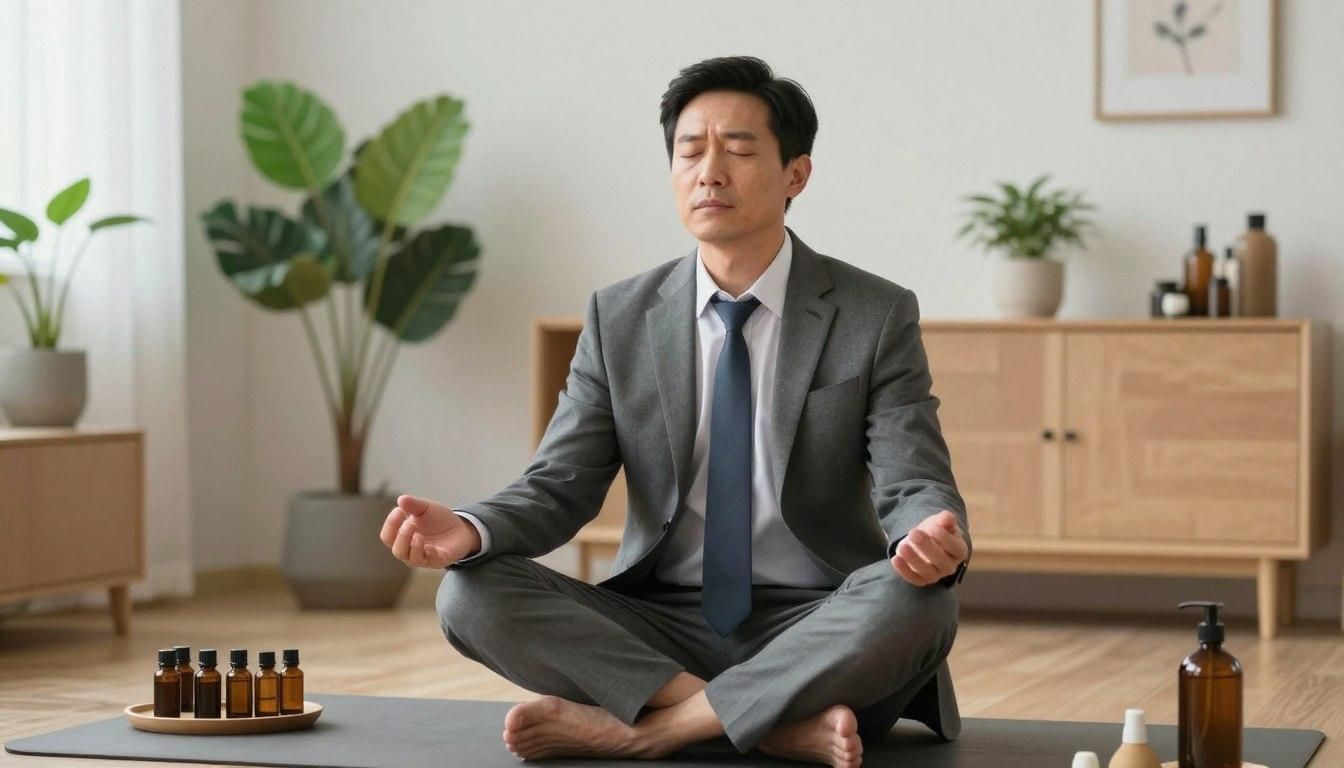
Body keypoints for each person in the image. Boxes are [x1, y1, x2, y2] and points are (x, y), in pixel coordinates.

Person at [379, 55, 970, 768]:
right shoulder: (621, 317)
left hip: (816, 622)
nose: (709, 171)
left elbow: (914, 479)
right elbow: (558, 486)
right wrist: (470, 527)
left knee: (920, 600)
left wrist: (931, 535)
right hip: (657, 623)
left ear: (796, 174)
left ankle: (650, 728)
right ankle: (768, 723)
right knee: (469, 593)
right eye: (690, 151)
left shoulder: (872, 314)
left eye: (740, 149)